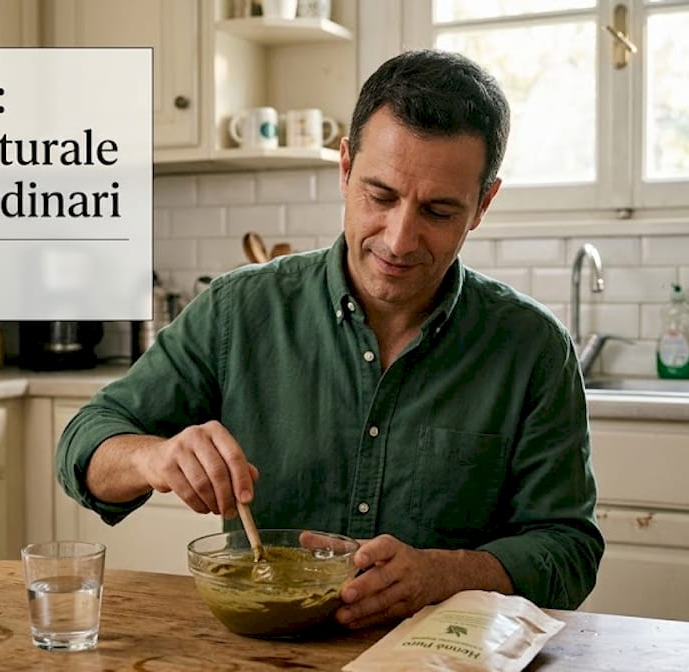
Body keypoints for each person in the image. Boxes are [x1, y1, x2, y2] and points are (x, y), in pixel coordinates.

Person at [56, 49, 603, 628]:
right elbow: (82, 446)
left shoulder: (533, 349)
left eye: (439, 211)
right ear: (344, 168)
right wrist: (155, 456)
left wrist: (445, 573)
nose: (398, 239)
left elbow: (569, 550)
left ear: (482, 205)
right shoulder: (238, 311)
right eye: (381, 196)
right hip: (260, 662)